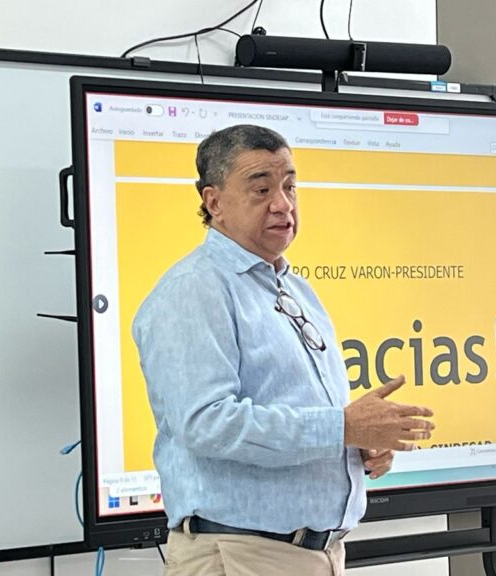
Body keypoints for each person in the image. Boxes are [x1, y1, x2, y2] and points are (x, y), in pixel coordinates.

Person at [132, 124, 435, 576]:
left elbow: (304, 417)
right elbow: (207, 424)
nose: (283, 204)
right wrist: (341, 427)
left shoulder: (295, 289)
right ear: (214, 202)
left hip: (313, 554)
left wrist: (358, 447)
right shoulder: (194, 290)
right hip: (239, 555)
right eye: (262, 189)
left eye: (290, 186)